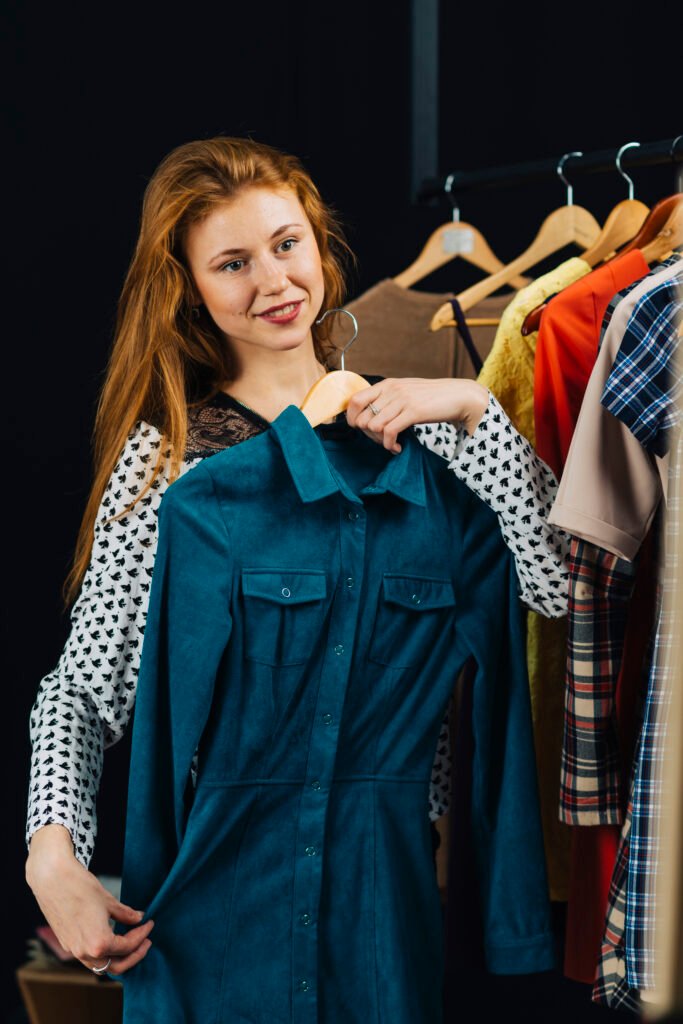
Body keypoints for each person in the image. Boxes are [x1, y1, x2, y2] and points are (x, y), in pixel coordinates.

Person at [24, 136, 569, 988]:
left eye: (286, 245)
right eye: (232, 263)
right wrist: (52, 854)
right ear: (191, 289)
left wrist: (473, 414)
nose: (274, 283)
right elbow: (86, 690)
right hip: (216, 909)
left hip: (386, 917)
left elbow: (560, 585)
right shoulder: (172, 464)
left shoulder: (427, 440)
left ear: (319, 243)